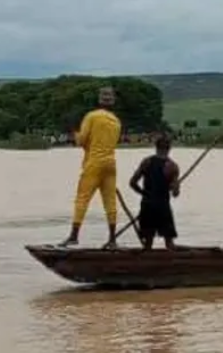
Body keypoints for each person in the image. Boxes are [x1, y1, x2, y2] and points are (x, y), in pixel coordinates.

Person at [60, 86, 122, 248]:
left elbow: (81, 141)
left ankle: (74, 236)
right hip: (111, 164)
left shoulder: (92, 116)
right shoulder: (116, 121)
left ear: (98, 100)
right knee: (110, 202)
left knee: (82, 199)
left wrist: (73, 131)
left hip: (94, 162)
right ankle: (112, 239)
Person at [128, 135, 180, 250]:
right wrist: (174, 186)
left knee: (148, 244)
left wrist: (144, 193)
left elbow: (132, 183)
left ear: (156, 147)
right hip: (162, 206)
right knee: (169, 244)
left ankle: (145, 262)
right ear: (169, 148)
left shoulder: (147, 162)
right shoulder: (172, 166)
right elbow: (175, 193)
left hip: (147, 204)